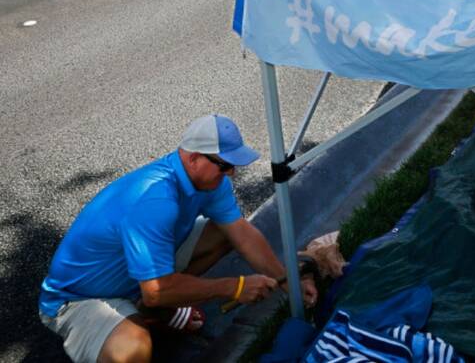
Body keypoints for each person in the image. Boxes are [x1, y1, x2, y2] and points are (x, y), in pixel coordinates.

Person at [39, 114, 318, 363]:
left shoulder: (212, 182)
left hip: (136, 278)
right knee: (133, 351)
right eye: (224, 165)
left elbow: (242, 234)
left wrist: (287, 281)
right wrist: (233, 287)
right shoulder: (155, 200)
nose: (231, 173)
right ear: (193, 157)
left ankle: (151, 311)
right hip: (79, 299)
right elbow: (157, 288)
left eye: (233, 166)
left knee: (224, 232)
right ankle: (150, 311)